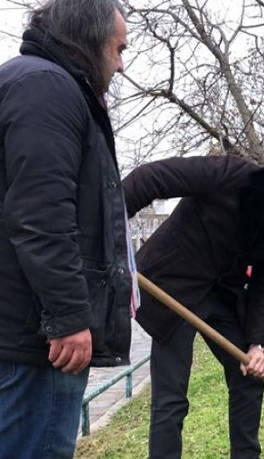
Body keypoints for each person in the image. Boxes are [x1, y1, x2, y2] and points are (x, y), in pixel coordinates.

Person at [122, 154, 264, 458]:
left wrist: (256, 344)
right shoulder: (234, 176)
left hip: (221, 296)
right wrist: (109, 226)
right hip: (173, 289)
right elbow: (151, 178)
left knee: (249, 378)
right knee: (171, 398)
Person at [0, 0, 133, 457]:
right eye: (117, 49)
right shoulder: (47, 88)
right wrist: (69, 317)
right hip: (34, 343)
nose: (120, 63)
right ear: (89, 42)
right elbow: (40, 215)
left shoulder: (33, 82)